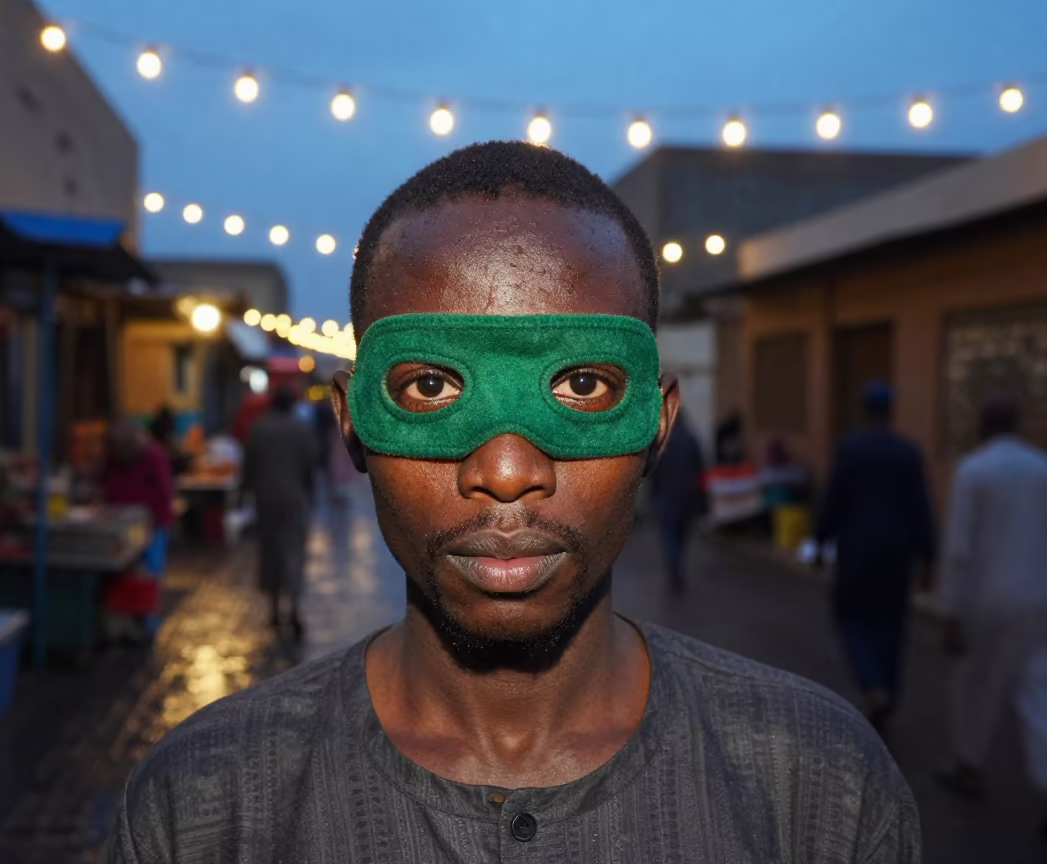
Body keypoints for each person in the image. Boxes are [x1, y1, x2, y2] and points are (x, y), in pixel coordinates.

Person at [109, 142, 917, 863]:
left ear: (657, 424)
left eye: (581, 384)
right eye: (428, 387)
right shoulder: (201, 810)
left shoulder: (822, 793)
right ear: (351, 422)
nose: (503, 469)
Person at [934, 396, 1047, 839]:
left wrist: (951, 609)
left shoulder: (973, 471)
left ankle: (968, 765)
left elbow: (959, 549)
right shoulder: (1042, 468)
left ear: (982, 424)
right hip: (1038, 598)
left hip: (986, 600)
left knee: (973, 687)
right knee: (1037, 693)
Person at [814, 382, 935, 733]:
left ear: (865, 410)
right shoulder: (908, 452)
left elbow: (833, 500)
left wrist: (820, 543)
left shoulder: (851, 449)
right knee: (893, 626)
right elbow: (921, 507)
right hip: (898, 557)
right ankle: (888, 692)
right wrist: (928, 558)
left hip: (857, 554)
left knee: (850, 617)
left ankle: (871, 685)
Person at [240, 388, 318, 636]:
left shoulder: (258, 428)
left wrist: (244, 495)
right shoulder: (301, 429)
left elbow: (249, 466)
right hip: (294, 500)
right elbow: (310, 466)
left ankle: (274, 612)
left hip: (266, 501)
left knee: (270, 552)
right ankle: (294, 610)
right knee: (293, 553)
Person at [101, 418, 175, 639]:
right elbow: (105, 483)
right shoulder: (113, 459)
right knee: (124, 575)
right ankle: (126, 625)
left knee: (149, 576)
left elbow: (164, 493)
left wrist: (145, 517)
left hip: (153, 526)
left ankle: (148, 626)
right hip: (121, 525)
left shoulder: (154, 456)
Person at [649, 408, 705, 595]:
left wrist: (652, 495)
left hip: (666, 496)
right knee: (681, 535)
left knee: (669, 535)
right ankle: (678, 566)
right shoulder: (691, 439)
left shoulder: (662, 443)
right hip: (687, 496)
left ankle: (674, 569)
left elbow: (653, 472)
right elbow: (700, 469)